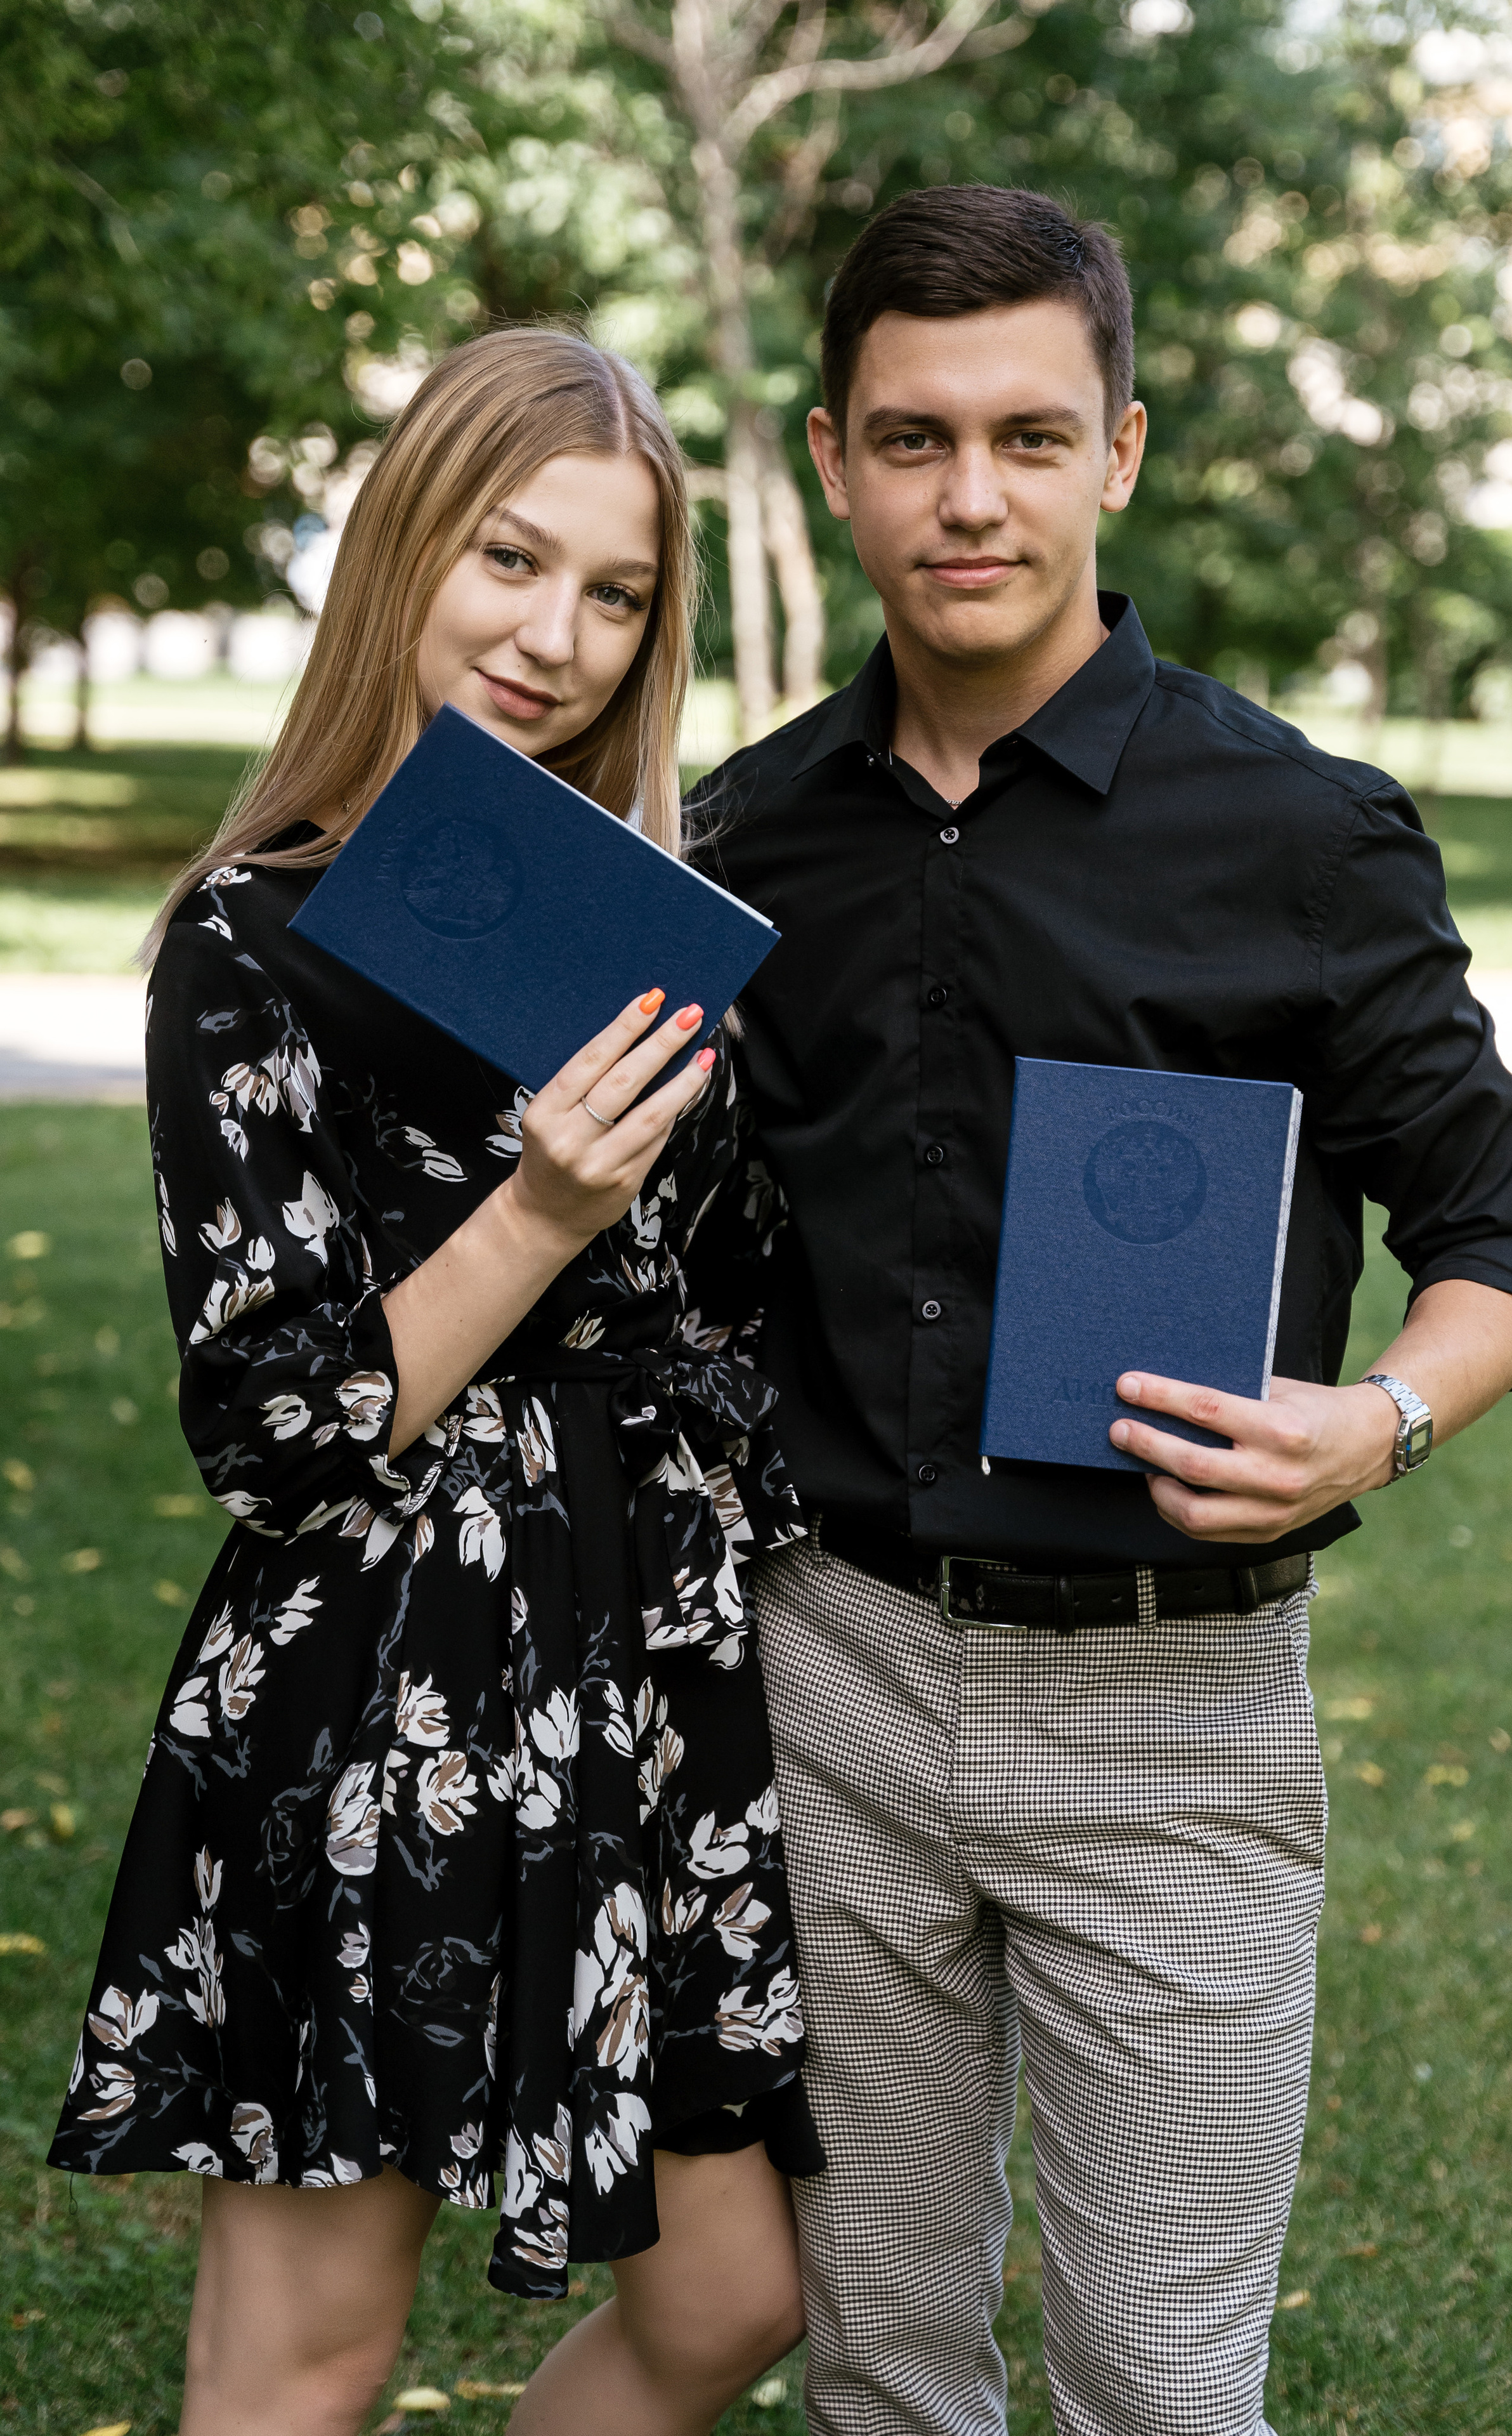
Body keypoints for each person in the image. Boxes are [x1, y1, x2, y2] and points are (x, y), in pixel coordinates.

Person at [684, 187, 1512, 2436]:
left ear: (1123, 452)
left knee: (1164, 2388)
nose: (967, 495)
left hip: (1170, 1703)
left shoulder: (1305, 831)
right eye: (910, 439)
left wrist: (1373, 1422)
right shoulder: (742, 840)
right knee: (883, 2361)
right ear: (826, 457)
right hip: (834, 1676)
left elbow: (1509, 1242)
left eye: (1024, 434)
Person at [49, 326, 817, 2436]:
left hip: (644, 1678)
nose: (554, 635)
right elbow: (277, 1432)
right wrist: (544, 1207)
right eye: (509, 560)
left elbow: (730, 1308)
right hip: (382, 1683)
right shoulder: (255, 938)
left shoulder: (641, 935)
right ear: (404, 546)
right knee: (311, 2358)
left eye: (616, 594)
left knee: (732, 2294)